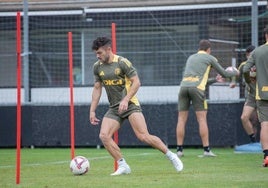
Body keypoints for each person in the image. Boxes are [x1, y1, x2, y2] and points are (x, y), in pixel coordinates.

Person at [89, 36, 183, 175]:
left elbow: (137, 82)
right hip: (114, 108)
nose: (98, 56)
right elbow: (97, 88)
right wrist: (92, 111)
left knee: (143, 136)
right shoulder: (97, 67)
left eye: (100, 53)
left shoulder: (122, 63)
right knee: (104, 135)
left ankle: (171, 156)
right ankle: (123, 165)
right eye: (96, 53)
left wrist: (126, 100)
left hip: (130, 104)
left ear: (109, 49)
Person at [176, 39, 239, 158]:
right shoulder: (210, 58)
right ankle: (206, 150)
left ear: (198, 49)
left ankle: (179, 151)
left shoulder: (191, 58)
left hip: (183, 87)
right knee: (202, 119)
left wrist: (215, 80)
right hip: (197, 89)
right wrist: (235, 73)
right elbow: (225, 74)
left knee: (181, 119)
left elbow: (195, 78)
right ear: (209, 50)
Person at [243, 26, 268, 167]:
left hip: (263, 93)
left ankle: (267, 157)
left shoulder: (257, 51)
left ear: (265, 35)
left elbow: (246, 69)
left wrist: (249, 80)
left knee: (265, 125)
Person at [237, 45, 259, 143]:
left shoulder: (261, 63)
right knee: (245, 118)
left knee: (260, 121)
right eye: (250, 55)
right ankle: (253, 140)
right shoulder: (243, 65)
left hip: (262, 95)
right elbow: (237, 74)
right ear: (247, 55)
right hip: (250, 96)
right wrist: (233, 81)